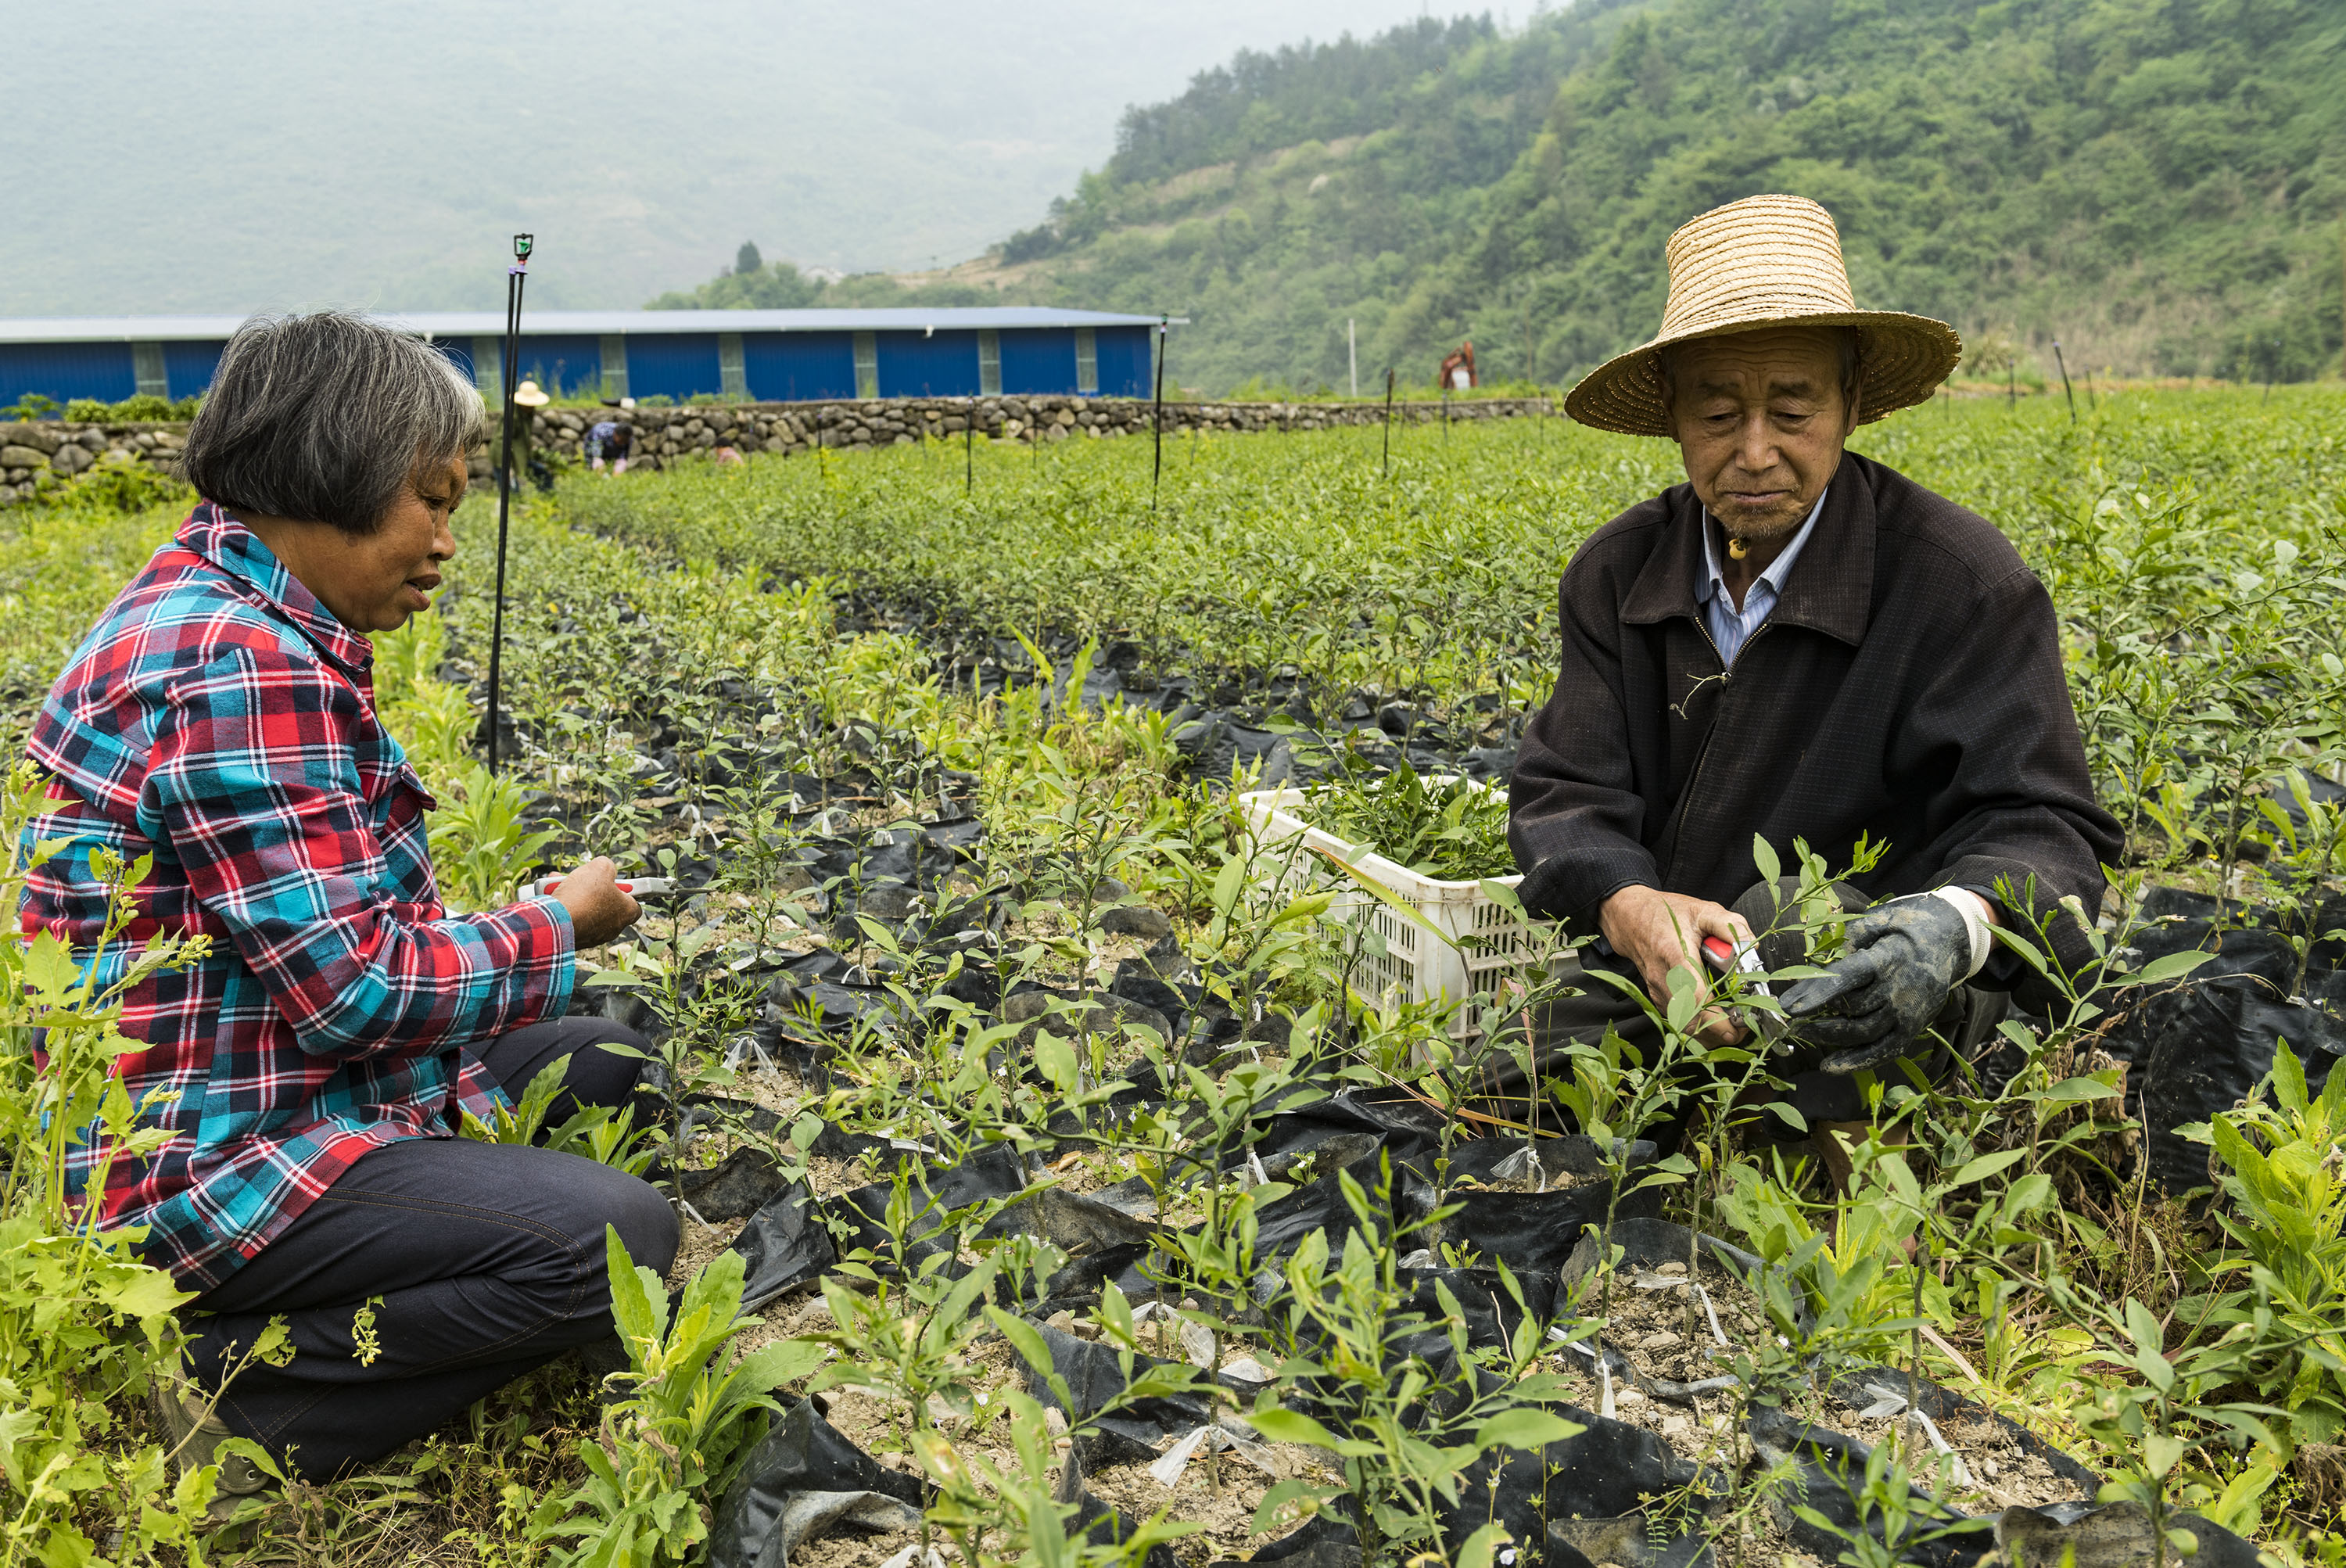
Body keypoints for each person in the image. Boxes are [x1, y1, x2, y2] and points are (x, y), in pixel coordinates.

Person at [18, 311, 676, 1502]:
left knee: (602, 1049)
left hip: (252, 1070)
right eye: (431, 501)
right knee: (612, 1245)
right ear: (341, 470)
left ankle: (401, 1240)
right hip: (203, 1159)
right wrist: (556, 926)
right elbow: (355, 996)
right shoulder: (240, 661)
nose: (443, 541)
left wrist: (526, 940)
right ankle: (240, 1394)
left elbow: (317, 931)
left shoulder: (226, 606)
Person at [1505, 195, 2122, 1160]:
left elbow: (2047, 824)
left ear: (1848, 404)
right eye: (1718, 414)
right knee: (1514, 1064)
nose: (1755, 452)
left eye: (1792, 411)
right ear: (1673, 416)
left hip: (1871, 987)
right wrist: (1631, 905)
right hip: (1681, 974)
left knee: (1794, 927)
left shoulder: (1957, 579)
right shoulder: (1619, 573)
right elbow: (1565, 790)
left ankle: (1851, 1174)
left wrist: (1951, 924)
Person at [507, 377, 554, 492]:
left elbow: (525, 436)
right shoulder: (512, 416)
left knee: (543, 474)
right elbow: (503, 441)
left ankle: (547, 497)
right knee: (511, 492)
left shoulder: (527, 415)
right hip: (509, 457)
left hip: (522, 455)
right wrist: (506, 465)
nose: (531, 406)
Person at [587, 396, 634, 476]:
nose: (623, 443)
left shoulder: (628, 438)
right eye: (621, 440)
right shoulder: (600, 432)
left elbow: (623, 459)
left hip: (612, 456)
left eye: (625, 441)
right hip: (596, 454)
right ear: (615, 434)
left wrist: (617, 473)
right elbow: (596, 456)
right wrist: (601, 472)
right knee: (597, 462)